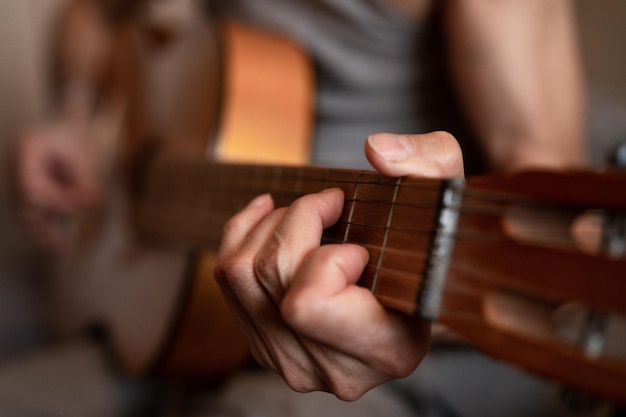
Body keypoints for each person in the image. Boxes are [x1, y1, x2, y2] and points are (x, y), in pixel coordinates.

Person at [11, 0, 588, 416]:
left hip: (406, 332)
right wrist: (77, 111)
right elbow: (93, 15)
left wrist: (421, 307)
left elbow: (557, 237)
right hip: (166, 289)